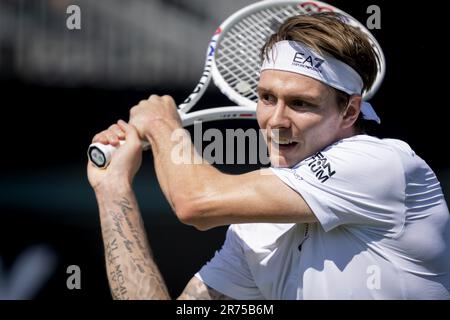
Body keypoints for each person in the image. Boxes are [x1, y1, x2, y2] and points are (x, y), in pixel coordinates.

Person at [87, 12, 450, 299]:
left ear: (350, 112)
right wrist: (113, 190)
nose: (275, 121)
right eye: (266, 98)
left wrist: (162, 126)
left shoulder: (383, 163)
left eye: (300, 104)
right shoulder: (256, 230)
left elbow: (193, 204)